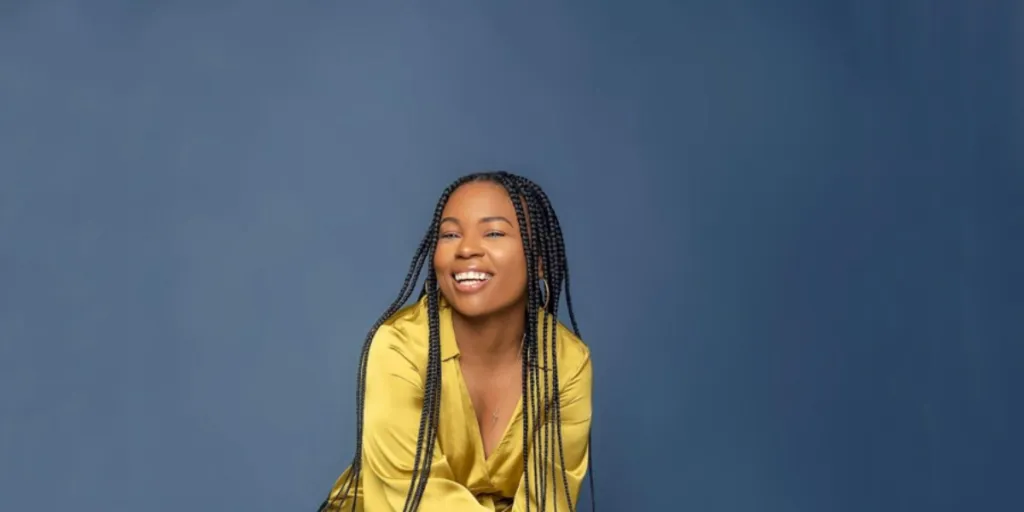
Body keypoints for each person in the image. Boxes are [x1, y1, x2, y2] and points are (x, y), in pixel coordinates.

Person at [317, 171, 595, 511]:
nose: (465, 249)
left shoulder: (566, 362)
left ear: (539, 260)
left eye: (493, 232)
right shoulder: (398, 347)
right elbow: (413, 499)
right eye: (450, 234)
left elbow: (550, 502)